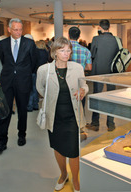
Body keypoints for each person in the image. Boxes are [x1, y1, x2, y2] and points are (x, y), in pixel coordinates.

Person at [36, 37, 88, 192]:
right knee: (58, 147)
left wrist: (83, 90)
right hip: (54, 116)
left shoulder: (77, 67)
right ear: (54, 52)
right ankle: (63, 174)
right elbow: (40, 89)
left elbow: (84, 84)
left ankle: (75, 179)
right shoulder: (44, 70)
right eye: (62, 50)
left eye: (68, 50)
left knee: (73, 150)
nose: (67, 53)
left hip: (72, 115)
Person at [0, 18, 37, 153]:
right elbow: (3, 60)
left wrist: (23, 73)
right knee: (4, 110)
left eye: (20, 29)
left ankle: (21, 135)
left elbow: (34, 62)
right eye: (15, 30)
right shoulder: (3, 44)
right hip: (7, 81)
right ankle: (2, 141)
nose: (18, 32)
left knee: (22, 110)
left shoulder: (29, 43)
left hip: (23, 81)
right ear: (9, 30)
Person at [86, 19, 120, 132]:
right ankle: (111, 124)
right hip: (112, 72)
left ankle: (95, 123)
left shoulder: (96, 39)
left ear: (100, 27)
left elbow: (93, 54)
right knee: (112, 96)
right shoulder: (117, 40)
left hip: (98, 71)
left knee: (97, 96)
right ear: (109, 27)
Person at [68, 26, 92, 141]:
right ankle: (80, 127)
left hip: (66, 80)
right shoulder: (86, 50)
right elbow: (89, 67)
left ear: (68, 35)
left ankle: (69, 128)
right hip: (80, 80)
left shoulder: (64, 49)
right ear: (79, 36)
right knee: (80, 104)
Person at [27, 40, 49, 111]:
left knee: (32, 89)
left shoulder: (35, 52)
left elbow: (33, 62)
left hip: (34, 71)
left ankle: (30, 106)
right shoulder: (46, 52)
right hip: (43, 73)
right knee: (38, 89)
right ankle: (36, 105)